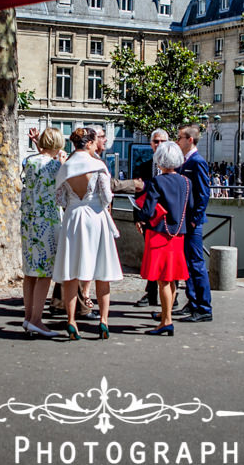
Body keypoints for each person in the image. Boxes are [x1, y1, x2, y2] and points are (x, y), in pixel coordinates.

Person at [52, 127, 121, 340]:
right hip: (96, 217)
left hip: (73, 218)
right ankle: (104, 321)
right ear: (90, 143)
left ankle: (71, 320)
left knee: (71, 272)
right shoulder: (98, 165)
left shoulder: (66, 167)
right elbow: (107, 196)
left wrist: (74, 203)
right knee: (102, 271)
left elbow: (59, 198)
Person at [136, 141, 191, 337]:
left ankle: (166, 321)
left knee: (163, 280)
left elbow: (148, 211)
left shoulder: (157, 182)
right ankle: (166, 314)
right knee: (171, 278)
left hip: (159, 233)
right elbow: (189, 207)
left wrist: (141, 215)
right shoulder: (186, 181)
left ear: (159, 160)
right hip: (178, 234)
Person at [19, 127, 64, 338]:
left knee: (30, 273)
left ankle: (29, 317)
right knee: (45, 272)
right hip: (47, 221)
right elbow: (63, 195)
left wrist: (38, 143)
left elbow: (40, 160)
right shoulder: (56, 166)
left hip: (28, 221)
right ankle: (36, 319)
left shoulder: (29, 163)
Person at [127, 129, 169, 309]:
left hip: (168, 220)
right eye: (155, 141)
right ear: (151, 144)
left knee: (168, 259)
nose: (158, 144)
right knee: (151, 256)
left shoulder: (175, 168)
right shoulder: (143, 166)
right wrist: (138, 218)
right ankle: (151, 293)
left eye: (162, 141)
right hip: (149, 219)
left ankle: (170, 296)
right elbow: (137, 195)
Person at [176, 124, 213, 323]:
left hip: (192, 222)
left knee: (197, 264)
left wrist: (195, 219)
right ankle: (193, 301)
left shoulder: (197, 162)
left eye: (180, 137)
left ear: (190, 140)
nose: (177, 140)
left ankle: (204, 306)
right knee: (189, 263)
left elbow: (203, 193)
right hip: (186, 219)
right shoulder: (185, 161)